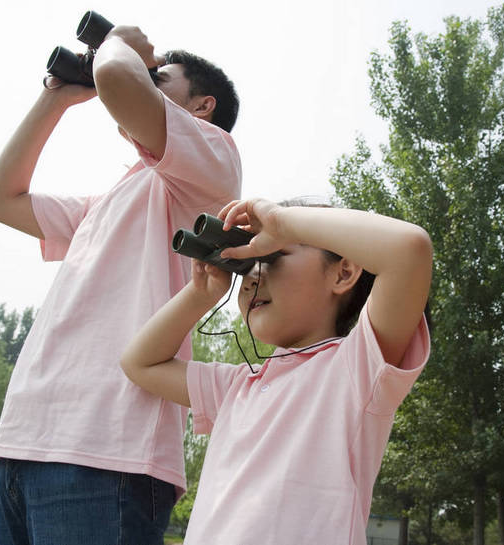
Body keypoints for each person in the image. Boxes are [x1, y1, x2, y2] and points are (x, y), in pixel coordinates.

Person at [0, 22, 241, 545]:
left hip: (110, 452)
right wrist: (57, 97)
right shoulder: (107, 202)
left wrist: (121, 43)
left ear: (203, 107)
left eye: (158, 76)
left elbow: (118, 78)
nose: (145, 77)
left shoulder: (213, 165)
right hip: (23, 444)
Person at [120, 197, 433, 544]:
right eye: (246, 266)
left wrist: (282, 222)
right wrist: (199, 294)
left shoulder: (355, 370)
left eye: (272, 257)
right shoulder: (239, 386)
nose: (251, 279)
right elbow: (139, 363)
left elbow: (409, 250)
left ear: (343, 272)